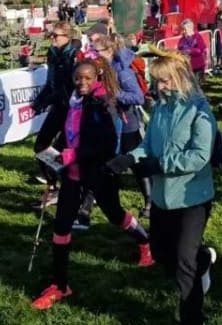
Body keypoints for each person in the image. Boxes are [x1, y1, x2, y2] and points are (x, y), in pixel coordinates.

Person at [106, 49, 218, 325]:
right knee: (160, 252)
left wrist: (162, 164)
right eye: (157, 82)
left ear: (180, 78)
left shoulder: (199, 110)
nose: (160, 87)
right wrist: (130, 158)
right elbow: (150, 145)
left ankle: (192, 324)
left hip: (192, 197)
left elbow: (200, 156)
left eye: (164, 81)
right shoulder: (161, 108)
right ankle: (203, 259)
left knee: (183, 262)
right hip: (162, 196)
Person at [31, 58, 154, 310]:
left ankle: (145, 242)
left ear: (96, 77)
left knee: (114, 213)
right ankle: (60, 285)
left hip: (100, 170)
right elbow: (46, 135)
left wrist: (72, 154)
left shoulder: (104, 103)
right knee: (61, 225)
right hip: (72, 174)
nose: (82, 83)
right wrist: (46, 159)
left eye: (88, 78)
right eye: (78, 78)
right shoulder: (68, 101)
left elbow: (107, 145)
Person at [91, 34, 152, 218]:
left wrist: (115, 94)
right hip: (108, 122)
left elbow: (138, 97)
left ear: (109, 51)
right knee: (111, 161)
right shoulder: (101, 68)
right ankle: (110, 202)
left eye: (97, 51)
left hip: (127, 123)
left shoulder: (123, 71)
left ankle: (149, 201)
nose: (94, 55)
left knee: (136, 163)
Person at [30, 21, 82, 205]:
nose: (52, 38)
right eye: (51, 35)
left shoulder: (75, 55)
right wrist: (39, 101)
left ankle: (77, 188)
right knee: (40, 146)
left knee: (66, 150)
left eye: (56, 36)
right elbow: (50, 82)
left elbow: (73, 87)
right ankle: (54, 186)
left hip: (73, 110)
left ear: (68, 37)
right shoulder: (52, 53)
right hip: (58, 107)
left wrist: (51, 99)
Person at [178, 19, 208, 83]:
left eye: (184, 29)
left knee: (196, 86)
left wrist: (188, 51)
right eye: (182, 29)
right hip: (186, 66)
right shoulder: (182, 39)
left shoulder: (197, 37)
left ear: (190, 29)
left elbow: (200, 50)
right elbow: (179, 49)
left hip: (197, 66)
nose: (183, 31)